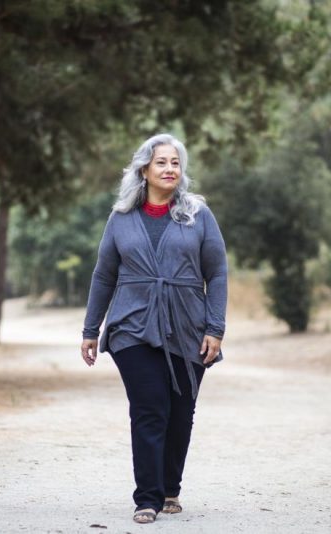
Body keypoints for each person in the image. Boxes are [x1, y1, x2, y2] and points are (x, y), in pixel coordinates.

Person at [81, 133, 228, 524]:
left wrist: (215, 328)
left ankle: (169, 489)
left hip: (187, 326)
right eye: (161, 162)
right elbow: (103, 275)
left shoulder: (199, 214)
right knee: (149, 409)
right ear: (144, 169)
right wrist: (90, 329)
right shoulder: (121, 217)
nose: (169, 169)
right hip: (132, 326)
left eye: (175, 162)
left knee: (181, 412)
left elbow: (217, 272)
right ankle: (146, 497)